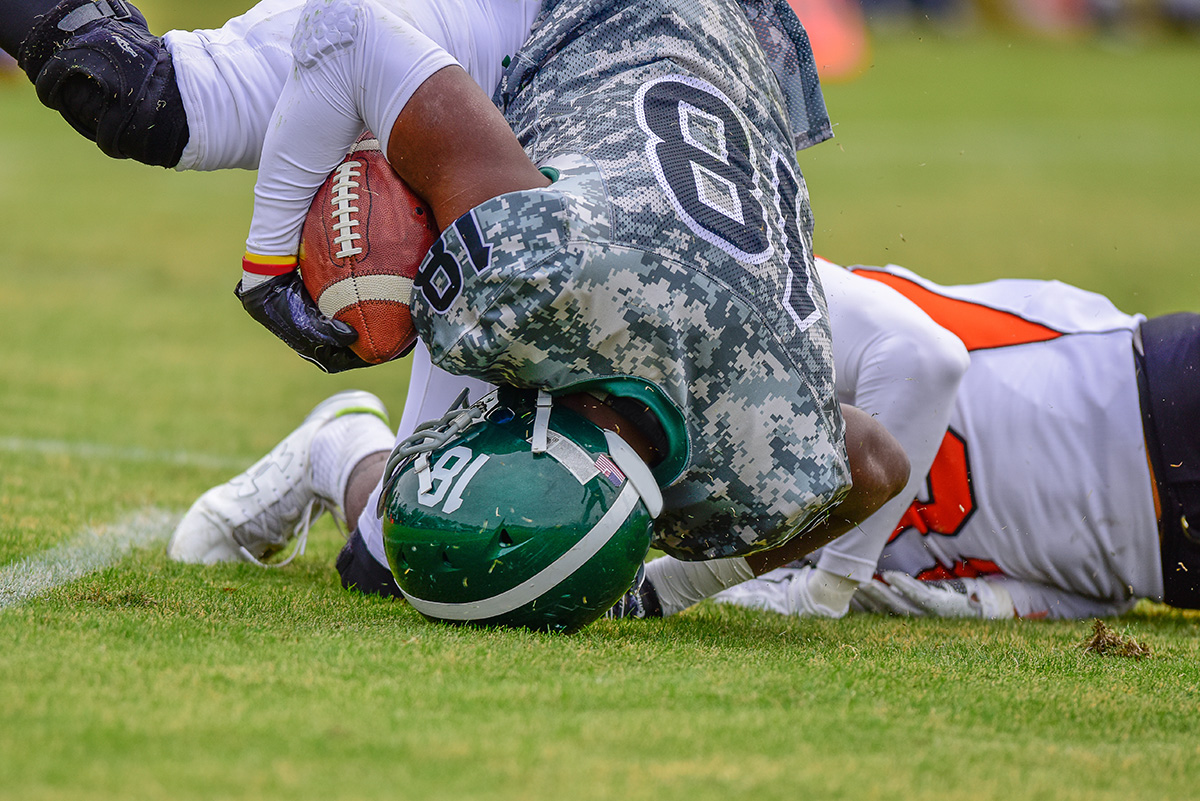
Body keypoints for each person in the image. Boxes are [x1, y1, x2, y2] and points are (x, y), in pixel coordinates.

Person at [10, 0, 910, 622]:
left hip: (695, 63)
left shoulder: (766, 445)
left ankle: (334, 448)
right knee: (134, 92)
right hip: (535, 26)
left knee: (395, 563)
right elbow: (350, 29)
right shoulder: (538, 270)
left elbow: (874, 462)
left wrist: (658, 588)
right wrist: (266, 262)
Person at [707, 259, 1200, 621]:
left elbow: (927, 361)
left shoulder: (775, 318)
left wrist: (830, 587)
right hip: (1155, 561)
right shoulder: (733, 541)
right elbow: (1049, 594)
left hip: (1147, 400)